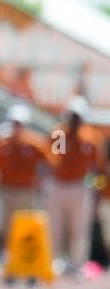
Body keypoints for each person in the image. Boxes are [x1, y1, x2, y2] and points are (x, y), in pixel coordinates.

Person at [46, 96, 101, 276]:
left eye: (78, 117)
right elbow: (55, 160)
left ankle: (78, 264)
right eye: (73, 116)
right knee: (56, 224)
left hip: (79, 185)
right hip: (59, 184)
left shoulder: (90, 137)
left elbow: (95, 166)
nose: (75, 120)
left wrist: (93, 189)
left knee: (79, 227)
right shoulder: (60, 133)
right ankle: (55, 260)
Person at [0, 105, 50, 255]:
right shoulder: (2, 143)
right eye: (14, 123)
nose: (16, 127)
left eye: (19, 124)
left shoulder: (35, 142)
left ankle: (26, 257)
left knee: (27, 225)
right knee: (7, 226)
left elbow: (49, 162)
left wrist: (39, 180)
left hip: (26, 191)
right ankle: (8, 256)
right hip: (7, 189)